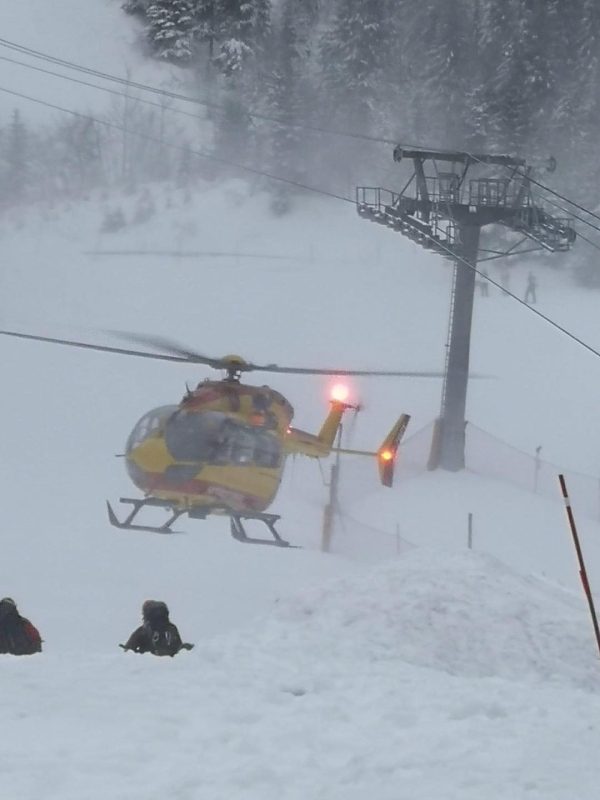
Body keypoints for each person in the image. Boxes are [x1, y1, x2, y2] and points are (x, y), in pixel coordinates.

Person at [120, 600, 194, 657]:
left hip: (150, 668)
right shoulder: (171, 628)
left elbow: (128, 650)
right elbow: (178, 648)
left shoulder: (143, 630)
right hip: (171, 666)